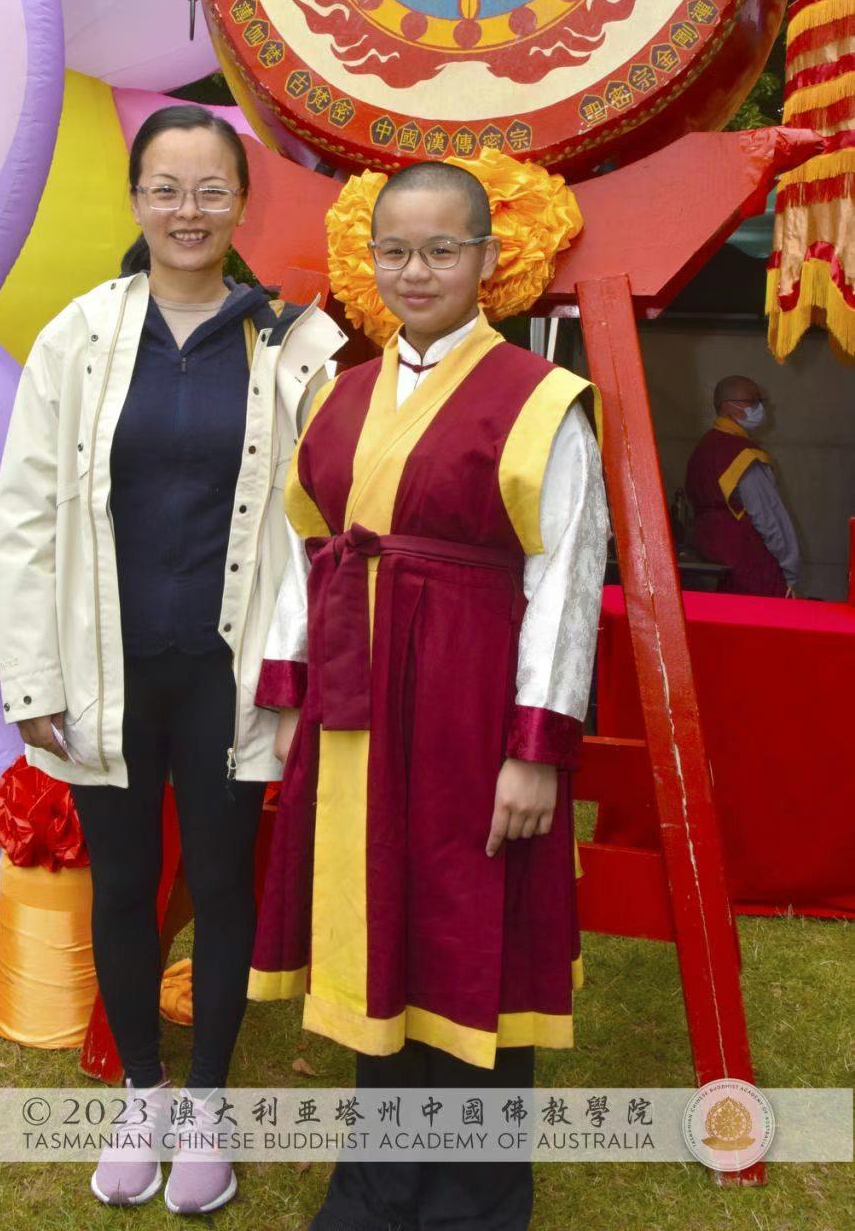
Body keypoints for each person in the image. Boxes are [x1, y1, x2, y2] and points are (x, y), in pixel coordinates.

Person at [0, 104, 344, 1215]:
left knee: (226, 881)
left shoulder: (294, 346)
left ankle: (204, 1104)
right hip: (106, 668)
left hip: (228, 670)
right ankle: (141, 1094)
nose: (188, 211)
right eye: (166, 189)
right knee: (125, 882)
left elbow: (333, 512)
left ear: (242, 202)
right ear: (137, 200)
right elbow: (24, 513)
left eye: (210, 189)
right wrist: (32, 676)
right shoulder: (78, 336)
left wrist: (307, 658)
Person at [250, 160, 608, 1231]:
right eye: (394, 251)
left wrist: (534, 749)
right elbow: (303, 553)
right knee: (375, 932)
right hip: (357, 707)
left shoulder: (540, 400)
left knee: (467, 931)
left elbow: (566, 580)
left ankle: (476, 1199)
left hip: (469, 708)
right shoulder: (340, 396)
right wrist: (288, 693)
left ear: (487, 259)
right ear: (370, 260)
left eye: (441, 249)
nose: (415, 271)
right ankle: (377, 1183)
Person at [685, 376, 799, 597]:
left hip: (711, 561)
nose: (760, 408)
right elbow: (770, 519)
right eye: (752, 401)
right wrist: (790, 570)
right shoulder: (743, 456)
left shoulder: (702, 449)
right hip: (751, 568)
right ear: (728, 406)